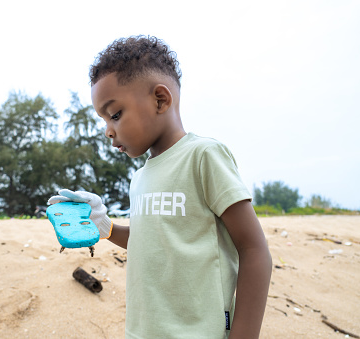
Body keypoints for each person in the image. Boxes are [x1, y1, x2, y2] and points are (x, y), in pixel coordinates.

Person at [49, 35, 272, 339]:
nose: (108, 130)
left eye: (115, 114)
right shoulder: (140, 177)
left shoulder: (203, 156)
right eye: (103, 119)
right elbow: (149, 241)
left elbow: (254, 249)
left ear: (160, 100)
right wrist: (104, 225)